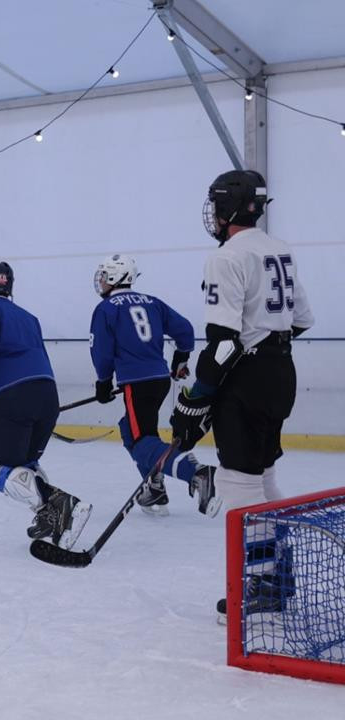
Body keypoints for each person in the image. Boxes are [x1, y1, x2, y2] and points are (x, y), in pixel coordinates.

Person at [169, 170, 314, 619]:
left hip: (247, 377)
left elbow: (225, 341)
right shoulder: (279, 249)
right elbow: (303, 319)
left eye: (216, 206)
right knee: (262, 476)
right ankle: (277, 575)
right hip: (280, 372)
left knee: (238, 482)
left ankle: (265, 582)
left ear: (229, 208)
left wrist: (198, 397)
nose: (212, 216)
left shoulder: (227, 256)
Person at [0, 261, 92, 549]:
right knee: (25, 465)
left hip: (13, 396)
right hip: (48, 397)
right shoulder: (29, 317)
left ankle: (59, 504)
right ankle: (51, 516)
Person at [89, 253, 218, 517]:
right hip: (158, 380)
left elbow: (101, 351)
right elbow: (184, 330)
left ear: (115, 276)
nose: (100, 281)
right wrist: (181, 357)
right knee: (130, 429)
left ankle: (197, 473)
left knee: (141, 441)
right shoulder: (152, 302)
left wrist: (103, 382)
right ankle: (154, 486)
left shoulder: (106, 309)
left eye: (104, 275)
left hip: (137, 383)